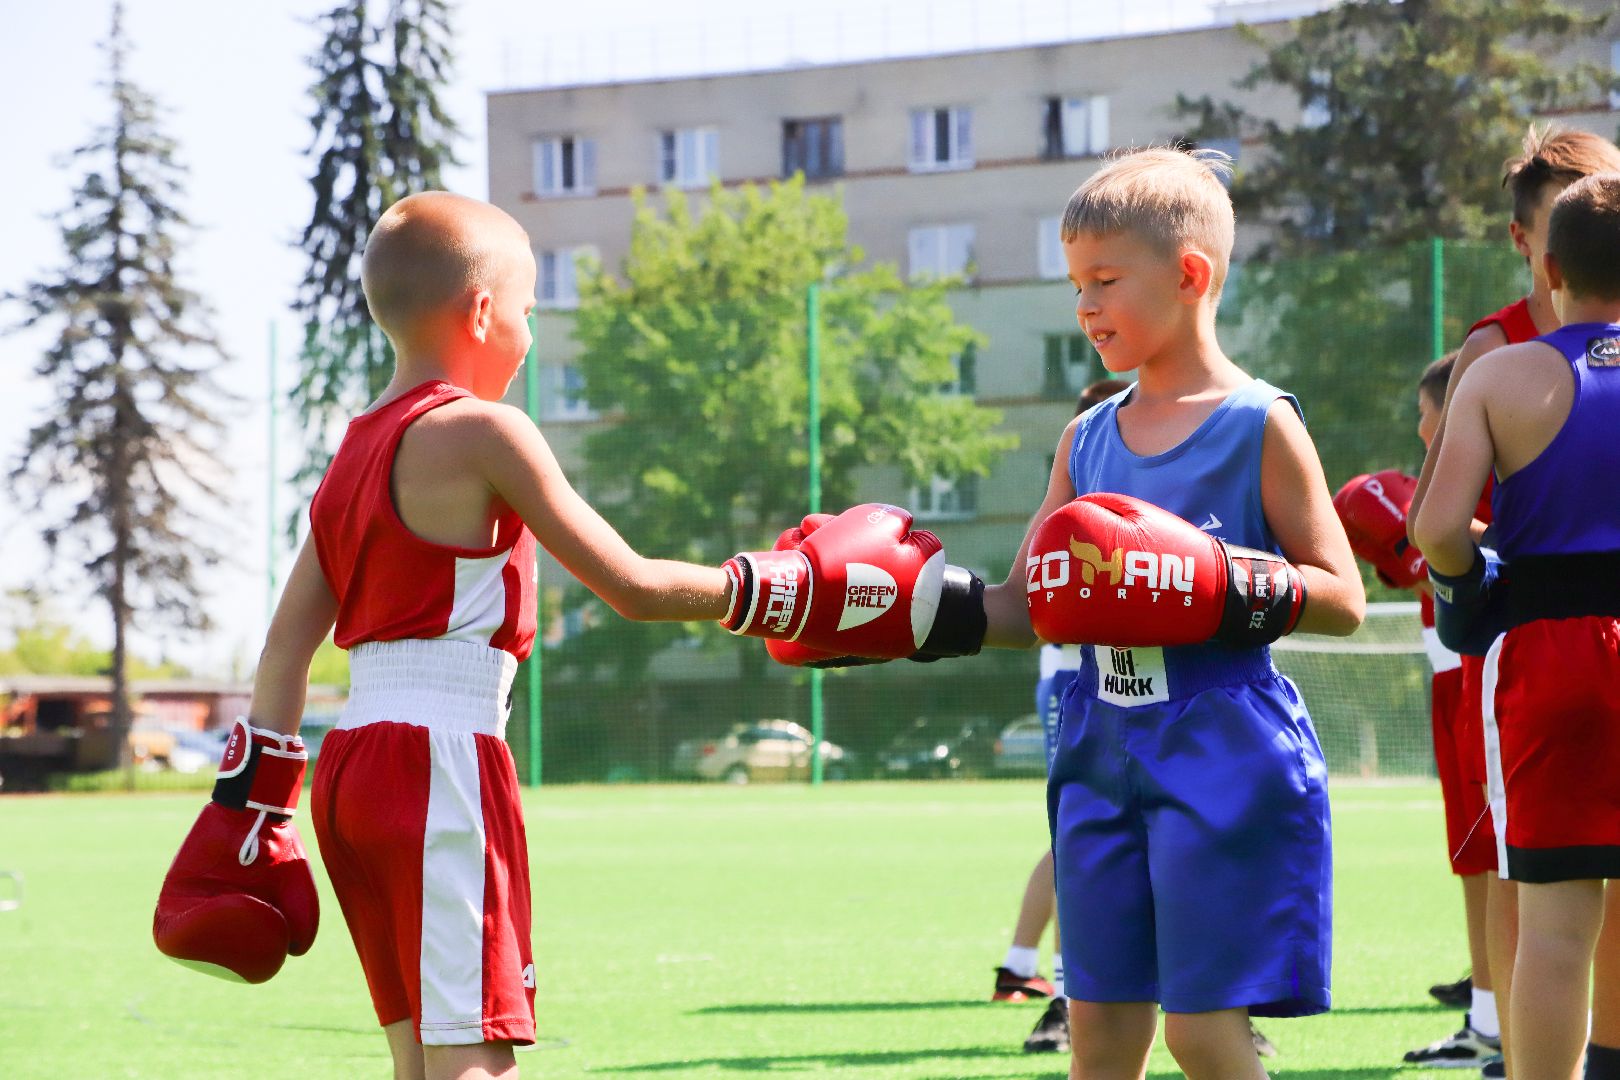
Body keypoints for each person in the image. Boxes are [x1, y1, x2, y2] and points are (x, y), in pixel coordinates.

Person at [150, 191, 985, 1080]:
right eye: (528, 310)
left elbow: (284, 649)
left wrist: (258, 805)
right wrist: (788, 590)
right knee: (475, 1056)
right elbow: (631, 586)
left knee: (419, 1055)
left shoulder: (351, 451)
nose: (531, 332)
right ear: (482, 312)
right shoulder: (485, 430)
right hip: (442, 760)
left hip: (353, 765)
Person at [912, 145, 1362, 1078]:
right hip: (1098, 742)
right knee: (1101, 1035)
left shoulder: (1259, 420)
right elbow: (1031, 604)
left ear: (1190, 275)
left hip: (1223, 745)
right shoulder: (1086, 436)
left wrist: (1210, 583)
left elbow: (1342, 597)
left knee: (1201, 1034)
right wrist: (909, 612)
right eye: (1076, 284)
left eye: (1105, 281)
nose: (1084, 307)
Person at [1410, 126, 1620, 1080]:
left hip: (1551, 657)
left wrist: (1473, 583)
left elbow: (1437, 528)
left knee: (1553, 928)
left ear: (1548, 262)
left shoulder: (1498, 370)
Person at [1335, 354, 1503, 1068]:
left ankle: (1499, 1021)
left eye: (1424, 410)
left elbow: (1451, 548)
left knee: (1494, 851)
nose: (1418, 424)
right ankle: (1489, 1014)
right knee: (1476, 853)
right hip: (1457, 674)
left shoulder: (1482, 483)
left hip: (1483, 670)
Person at [995, 378, 1129, 1057]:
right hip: (1080, 677)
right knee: (1079, 837)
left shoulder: (1224, 436)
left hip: (1189, 688)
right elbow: (1025, 602)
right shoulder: (1076, 482)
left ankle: (1226, 1002)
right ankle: (1061, 994)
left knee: (1196, 836)